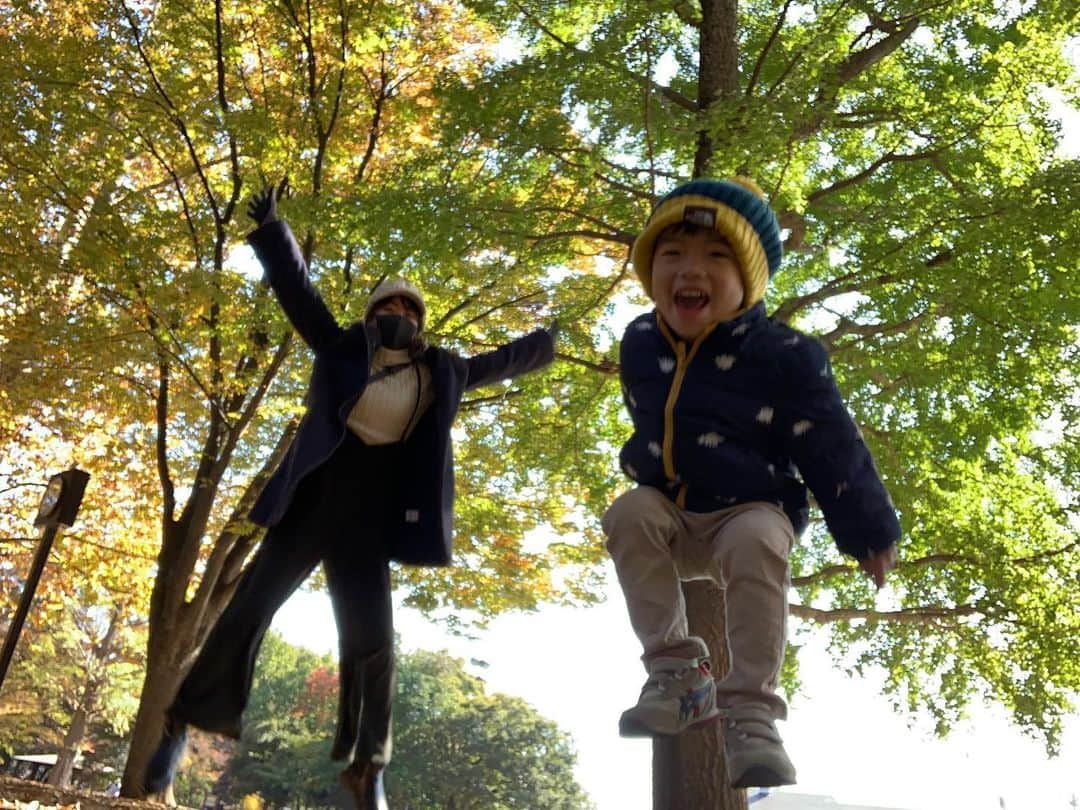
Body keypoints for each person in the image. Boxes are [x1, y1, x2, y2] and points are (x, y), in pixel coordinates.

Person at [143, 183, 556, 809]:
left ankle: (369, 768)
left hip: (371, 520)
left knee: (374, 643)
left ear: (420, 321)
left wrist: (552, 338)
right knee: (249, 608)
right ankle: (183, 721)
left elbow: (505, 359)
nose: (400, 315)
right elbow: (298, 293)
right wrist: (275, 231)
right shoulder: (340, 349)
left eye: (409, 309)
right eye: (387, 307)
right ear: (369, 317)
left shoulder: (441, 370)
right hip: (315, 500)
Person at [602, 177, 900, 789]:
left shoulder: (786, 354)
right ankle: (678, 672)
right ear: (648, 268)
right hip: (674, 515)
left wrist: (867, 529)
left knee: (756, 537)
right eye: (673, 255)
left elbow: (830, 442)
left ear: (749, 282)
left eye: (717, 258)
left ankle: (752, 714)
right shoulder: (637, 341)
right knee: (630, 512)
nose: (691, 271)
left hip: (749, 510)